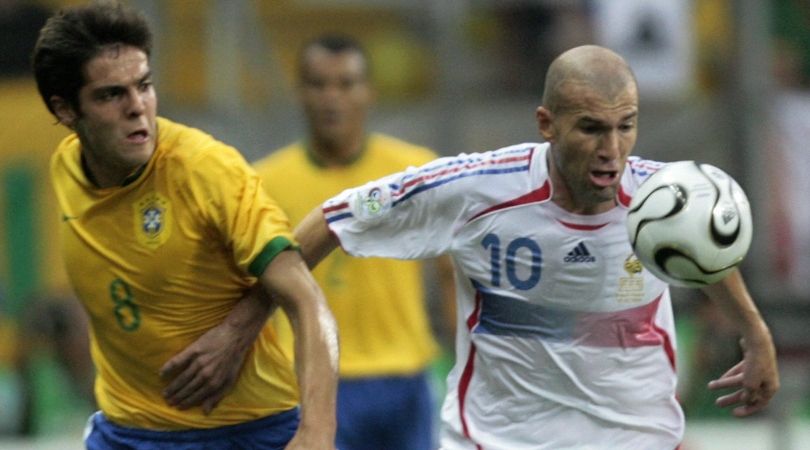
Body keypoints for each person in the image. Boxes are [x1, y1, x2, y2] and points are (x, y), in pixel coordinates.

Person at [287, 45, 779, 448]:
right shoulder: (478, 188)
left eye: (625, 125)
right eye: (591, 128)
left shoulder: (664, 197)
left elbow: (705, 251)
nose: (612, 149)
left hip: (636, 439)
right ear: (546, 124)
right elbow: (334, 218)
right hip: (499, 439)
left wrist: (754, 333)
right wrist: (241, 325)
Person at [31, 2, 338, 449]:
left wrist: (317, 433)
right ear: (66, 112)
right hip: (126, 433)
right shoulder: (65, 169)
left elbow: (307, 302)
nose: (138, 108)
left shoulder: (206, 170)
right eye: (111, 95)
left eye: (144, 86)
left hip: (246, 431)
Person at [252, 34, 455, 450]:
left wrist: (464, 360)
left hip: (404, 379)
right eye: (318, 84)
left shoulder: (413, 171)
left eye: (345, 84)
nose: (332, 98)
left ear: (369, 92)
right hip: (309, 382)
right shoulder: (263, 182)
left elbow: (453, 274)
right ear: (300, 93)